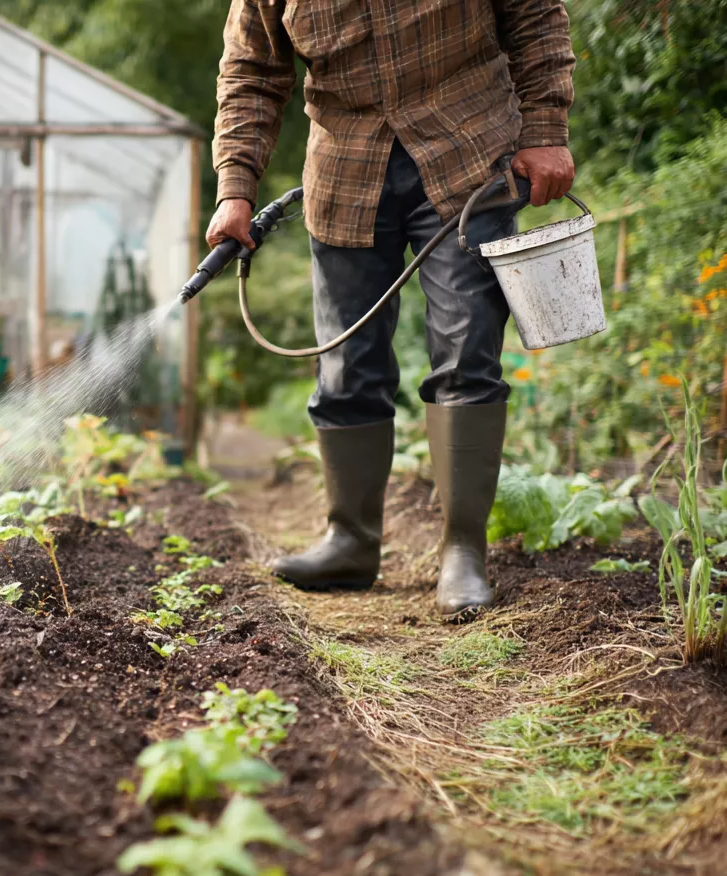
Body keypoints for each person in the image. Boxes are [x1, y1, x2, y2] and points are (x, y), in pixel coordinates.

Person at [207, 0, 575, 617]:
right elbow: (250, 69)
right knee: (345, 369)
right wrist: (235, 187)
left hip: (468, 158)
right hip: (345, 173)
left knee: (467, 356)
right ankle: (350, 541)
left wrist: (544, 130)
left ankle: (463, 552)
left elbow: (535, 16)